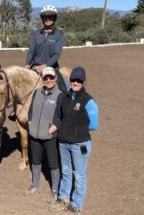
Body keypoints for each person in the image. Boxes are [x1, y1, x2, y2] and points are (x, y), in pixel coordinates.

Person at [49, 67, 99, 214]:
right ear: (70, 80)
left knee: (79, 175)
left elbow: (94, 125)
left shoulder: (88, 101)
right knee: (66, 171)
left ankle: (77, 205)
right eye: (73, 80)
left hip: (80, 145)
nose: (76, 82)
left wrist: (77, 133)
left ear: (83, 82)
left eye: (79, 80)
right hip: (63, 143)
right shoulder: (64, 97)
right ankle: (64, 197)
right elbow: (59, 116)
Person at [25, 67, 64, 204]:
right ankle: (35, 185)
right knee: (35, 161)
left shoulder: (59, 95)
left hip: (50, 137)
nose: (48, 80)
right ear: (42, 78)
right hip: (35, 134)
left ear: (55, 78)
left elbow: (60, 116)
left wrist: (51, 129)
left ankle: (54, 190)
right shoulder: (36, 93)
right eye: (46, 78)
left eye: (51, 77)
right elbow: (30, 111)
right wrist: (31, 123)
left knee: (53, 164)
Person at [25, 5, 67, 93]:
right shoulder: (36, 34)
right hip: (35, 67)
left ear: (54, 18)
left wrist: (45, 66)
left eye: (50, 16)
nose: (48, 18)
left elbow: (56, 54)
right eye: (45, 16)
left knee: (63, 90)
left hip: (51, 67)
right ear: (42, 18)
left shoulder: (58, 35)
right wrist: (27, 64)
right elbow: (31, 51)